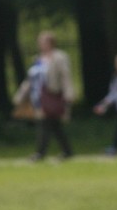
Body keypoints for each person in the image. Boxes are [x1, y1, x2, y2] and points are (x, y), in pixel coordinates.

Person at [14, 31, 75, 161]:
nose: (41, 44)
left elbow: (65, 77)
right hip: (39, 96)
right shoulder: (38, 59)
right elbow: (31, 79)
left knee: (47, 124)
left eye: (44, 42)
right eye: (40, 42)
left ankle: (40, 153)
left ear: (51, 43)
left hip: (53, 95)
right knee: (52, 125)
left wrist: (69, 94)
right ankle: (66, 151)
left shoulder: (59, 57)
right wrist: (21, 95)